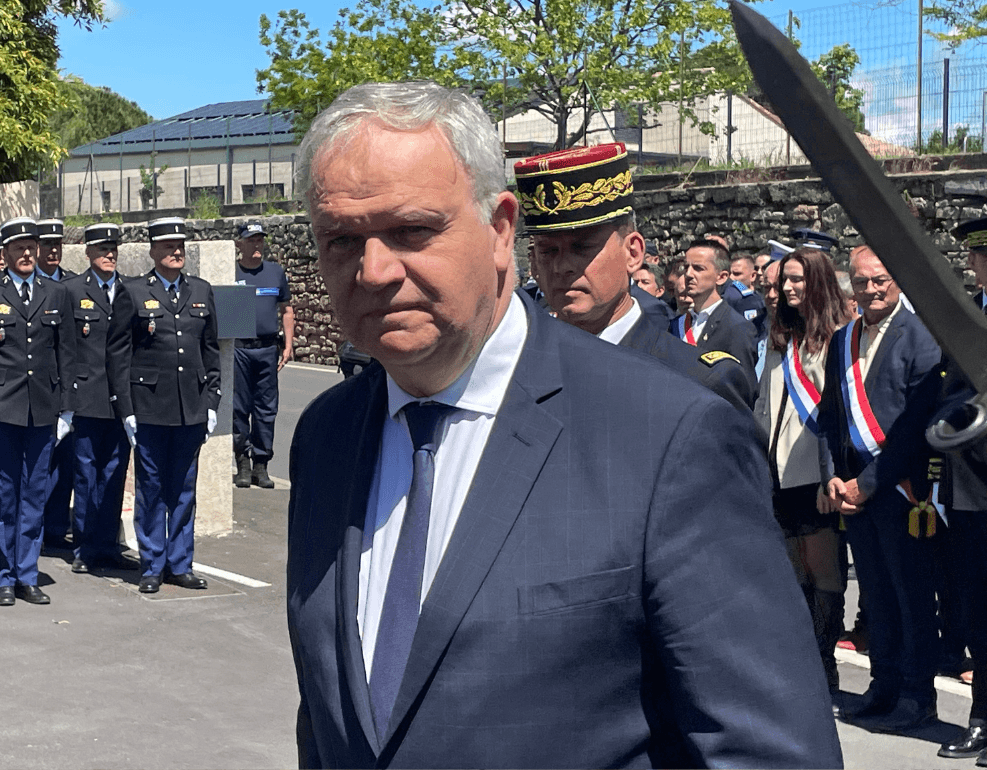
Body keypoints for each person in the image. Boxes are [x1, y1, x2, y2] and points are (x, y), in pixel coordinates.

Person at [285, 81, 841, 768]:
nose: (373, 271)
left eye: (410, 231)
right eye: (341, 239)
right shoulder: (325, 436)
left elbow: (768, 753)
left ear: (499, 229)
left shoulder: (668, 434)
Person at [520, 143, 756, 416]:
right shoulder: (520, 373)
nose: (562, 266)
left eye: (582, 248)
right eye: (548, 250)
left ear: (633, 253)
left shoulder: (698, 383)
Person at [820, 245, 943, 732]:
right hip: (853, 494)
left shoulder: (922, 339)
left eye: (880, 280)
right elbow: (830, 417)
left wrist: (866, 484)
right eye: (861, 281)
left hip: (901, 493)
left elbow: (916, 429)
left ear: (896, 281)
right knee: (875, 596)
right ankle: (883, 684)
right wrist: (834, 474)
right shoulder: (842, 339)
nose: (870, 289)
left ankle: (918, 695)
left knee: (911, 598)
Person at [0, 217, 75, 606]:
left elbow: (66, 354)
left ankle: (27, 573)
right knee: (3, 495)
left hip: (42, 409)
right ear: (4, 252)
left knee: (35, 495)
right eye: (18, 247)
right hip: (0, 408)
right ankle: (3, 575)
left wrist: (67, 409)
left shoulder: (56, 293)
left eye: (32, 246)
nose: (27, 253)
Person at [754, 247, 852, 696]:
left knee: (823, 570)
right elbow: (765, 404)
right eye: (783, 281)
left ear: (818, 282)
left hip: (815, 473)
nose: (788, 289)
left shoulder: (836, 336)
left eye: (797, 280)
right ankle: (801, 658)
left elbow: (835, 415)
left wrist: (828, 472)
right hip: (778, 472)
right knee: (793, 570)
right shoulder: (781, 337)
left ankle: (823, 661)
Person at [106, 217, 221, 595]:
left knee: (184, 490)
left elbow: (210, 351)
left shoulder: (201, 290)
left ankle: (180, 564)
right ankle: (152, 564)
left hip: (190, 408)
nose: (176, 252)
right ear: (153, 251)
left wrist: (212, 401)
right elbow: (119, 354)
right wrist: (126, 410)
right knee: (152, 489)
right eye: (168, 246)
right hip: (150, 408)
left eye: (180, 247)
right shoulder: (134, 291)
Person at [935, 216, 987, 761]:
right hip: (969, 484)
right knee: (976, 608)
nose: (975, 266)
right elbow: (945, 394)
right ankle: (982, 715)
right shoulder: (967, 319)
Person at [62, 223, 136, 573]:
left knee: (115, 473)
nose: (110, 255)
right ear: (88, 253)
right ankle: (85, 545)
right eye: (103, 249)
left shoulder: (130, 290)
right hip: (86, 395)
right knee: (85, 474)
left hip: (120, 400)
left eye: (114, 250)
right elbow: (65, 347)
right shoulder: (72, 290)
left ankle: (108, 545)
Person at [232, 222, 295, 489]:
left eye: (260, 240)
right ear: (239, 244)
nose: (257, 245)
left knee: (266, 409)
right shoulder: (232, 272)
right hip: (239, 347)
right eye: (251, 240)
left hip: (268, 348)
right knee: (238, 409)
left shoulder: (274, 272)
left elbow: (287, 310)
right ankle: (242, 464)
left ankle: (261, 464)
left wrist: (289, 344)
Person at [35, 218, 76, 550]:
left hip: (64, 387)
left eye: (57, 245)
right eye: (46, 245)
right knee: (36, 466)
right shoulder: (27, 285)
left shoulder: (72, 286)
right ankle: (35, 526)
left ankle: (56, 527)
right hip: (34, 391)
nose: (52, 250)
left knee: (64, 465)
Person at [671, 239, 760, 371]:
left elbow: (742, 385)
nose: (688, 274)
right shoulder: (676, 324)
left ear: (722, 277)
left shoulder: (737, 327)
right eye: (686, 267)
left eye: (698, 268)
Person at [725, 253, 768, 342]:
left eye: (737, 274)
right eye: (729, 274)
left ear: (753, 276)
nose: (731, 278)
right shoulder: (728, 296)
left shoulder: (761, 299)